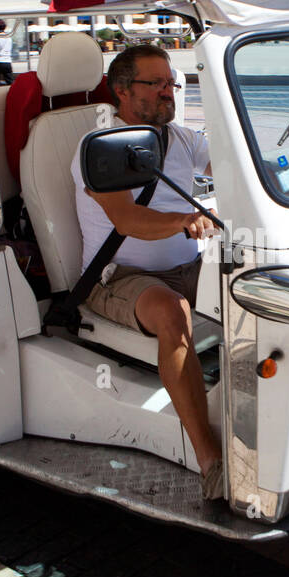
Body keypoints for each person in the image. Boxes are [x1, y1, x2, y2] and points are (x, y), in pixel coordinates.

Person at [72, 45, 222, 501]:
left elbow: (233, 170)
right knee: (173, 312)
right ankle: (210, 460)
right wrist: (182, 221)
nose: (167, 91)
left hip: (187, 264)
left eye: (171, 83)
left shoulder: (180, 138)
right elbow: (127, 221)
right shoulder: (98, 148)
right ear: (121, 90)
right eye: (154, 83)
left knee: (255, 287)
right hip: (118, 277)